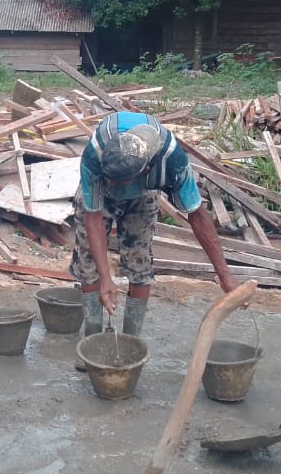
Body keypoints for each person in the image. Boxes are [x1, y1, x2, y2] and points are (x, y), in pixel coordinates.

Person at [70, 112, 237, 353]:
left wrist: (225, 276)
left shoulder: (173, 162)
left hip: (143, 196)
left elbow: (197, 215)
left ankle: (129, 346)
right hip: (99, 191)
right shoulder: (95, 153)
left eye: (122, 182)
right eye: (113, 181)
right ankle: (91, 343)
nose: (116, 187)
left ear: (146, 168)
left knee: (139, 263)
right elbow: (93, 216)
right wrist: (105, 278)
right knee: (88, 263)